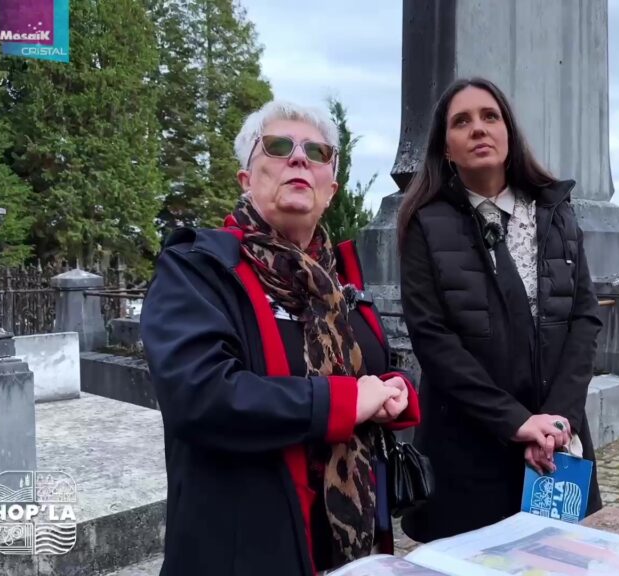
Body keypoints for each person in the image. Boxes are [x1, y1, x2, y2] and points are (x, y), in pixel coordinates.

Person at [140, 100, 421, 576]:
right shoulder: (197, 269)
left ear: (330, 189)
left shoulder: (340, 279)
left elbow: (369, 369)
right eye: (277, 146)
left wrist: (392, 389)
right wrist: (346, 401)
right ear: (246, 180)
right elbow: (201, 394)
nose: (298, 158)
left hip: (350, 548)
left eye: (316, 151)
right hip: (243, 551)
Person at [396, 77, 603, 542]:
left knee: (559, 560)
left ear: (509, 132)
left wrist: (557, 419)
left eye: (490, 116)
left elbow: (585, 318)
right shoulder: (425, 223)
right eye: (461, 121)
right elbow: (433, 340)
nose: (478, 129)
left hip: (556, 444)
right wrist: (515, 423)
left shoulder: (556, 211)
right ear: (445, 148)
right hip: (469, 447)